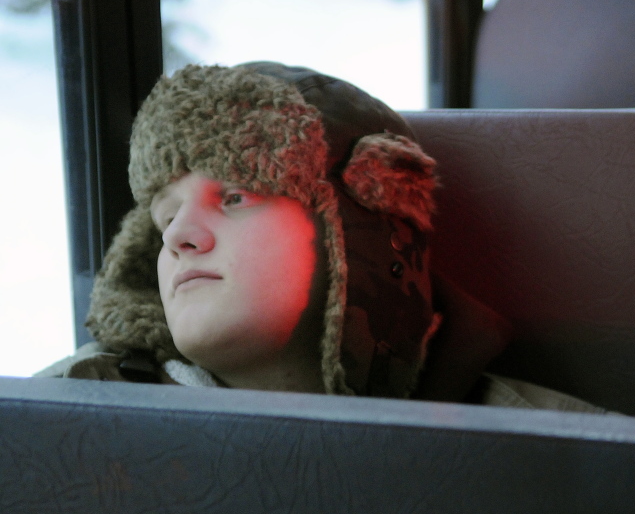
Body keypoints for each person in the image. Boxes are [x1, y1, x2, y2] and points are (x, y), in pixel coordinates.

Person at [37, 62, 606, 413]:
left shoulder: (545, 452)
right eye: (164, 218)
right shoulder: (57, 415)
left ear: (354, 234)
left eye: (235, 197)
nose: (180, 236)